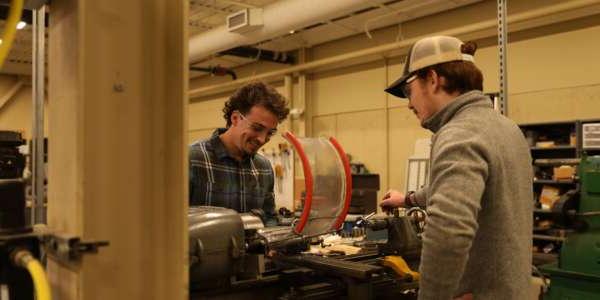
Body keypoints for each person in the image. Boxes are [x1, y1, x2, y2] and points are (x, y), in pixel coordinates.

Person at [382, 36, 532, 299]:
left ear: (433, 79)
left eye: (408, 91)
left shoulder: (459, 133)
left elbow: (448, 234)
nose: (408, 103)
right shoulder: (507, 128)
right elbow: (470, 189)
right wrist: (407, 199)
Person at [189, 81, 289, 225]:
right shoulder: (192, 159)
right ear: (235, 118)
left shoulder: (263, 167)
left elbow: (269, 219)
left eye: (270, 133)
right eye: (257, 128)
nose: (262, 139)